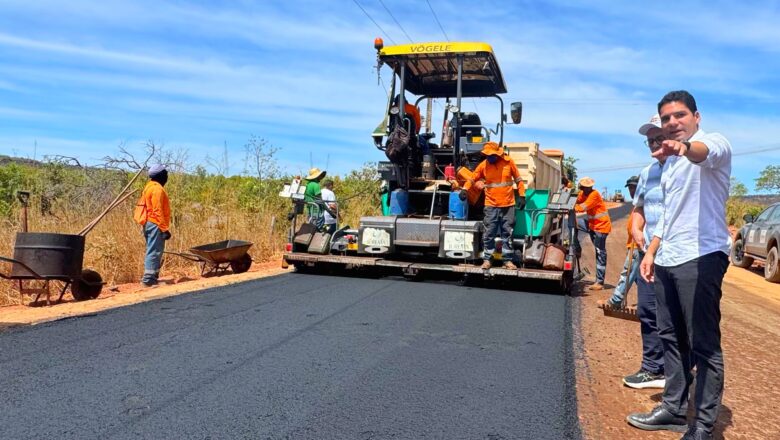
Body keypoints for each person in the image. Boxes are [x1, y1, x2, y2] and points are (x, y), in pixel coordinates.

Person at [628, 91, 732, 440]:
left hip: (702, 256)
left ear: (696, 116)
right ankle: (673, 409)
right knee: (670, 337)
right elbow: (670, 215)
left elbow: (704, 154)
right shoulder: (668, 165)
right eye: (667, 118)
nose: (673, 123)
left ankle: (702, 426)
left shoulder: (712, 144)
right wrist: (651, 251)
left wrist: (685, 149)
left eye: (680, 115)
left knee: (703, 344)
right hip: (668, 259)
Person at [616, 114, 668, 391]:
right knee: (648, 311)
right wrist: (637, 230)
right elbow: (639, 208)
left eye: (659, 137)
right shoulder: (648, 173)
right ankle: (651, 368)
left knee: (675, 317)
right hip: (648, 255)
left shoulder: (684, 168)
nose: (654, 143)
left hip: (676, 256)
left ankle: (679, 371)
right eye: (650, 140)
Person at [463, 142, 526, 270]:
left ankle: (507, 261)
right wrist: (465, 189)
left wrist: (522, 196)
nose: (489, 157)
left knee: (507, 233)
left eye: (491, 155)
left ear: (498, 154)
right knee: (489, 233)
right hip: (491, 205)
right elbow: (472, 178)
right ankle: (487, 259)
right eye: (487, 155)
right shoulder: (484, 165)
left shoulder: (509, 163)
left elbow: (519, 180)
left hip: (508, 205)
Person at [604, 175, 640, 307]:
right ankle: (647, 303)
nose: (631, 190)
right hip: (633, 245)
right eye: (630, 187)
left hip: (638, 245)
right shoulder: (636, 205)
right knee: (640, 277)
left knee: (628, 272)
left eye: (634, 187)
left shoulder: (643, 204)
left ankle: (616, 300)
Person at [133, 164, 171, 287]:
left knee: (154, 250)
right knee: (154, 251)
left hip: (150, 223)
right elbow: (157, 210)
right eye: (165, 173)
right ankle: (148, 280)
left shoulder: (149, 187)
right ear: (160, 176)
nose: (167, 175)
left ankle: (153, 278)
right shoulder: (157, 189)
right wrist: (164, 229)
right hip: (155, 223)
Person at [574, 177, 612, 290]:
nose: (585, 189)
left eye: (587, 187)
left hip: (601, 227)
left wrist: (571, 207)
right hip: (591, 225)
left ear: (590, 187)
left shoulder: (594, 195)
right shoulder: (583, 193)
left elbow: (582, 207)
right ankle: (577, 246)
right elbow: (577, 200)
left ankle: (599, 282)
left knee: (600, 252)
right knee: (573, 223)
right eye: (583, 187)